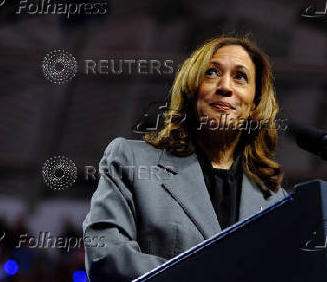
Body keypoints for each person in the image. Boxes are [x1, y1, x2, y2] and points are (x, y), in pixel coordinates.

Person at [83, 35, 288, 282]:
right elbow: (105, 256)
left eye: (240, 77)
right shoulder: (131, 160)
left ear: (255, 103)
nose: (225, 86)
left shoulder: (276, 199)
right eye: (212, 73)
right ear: (192, 90)